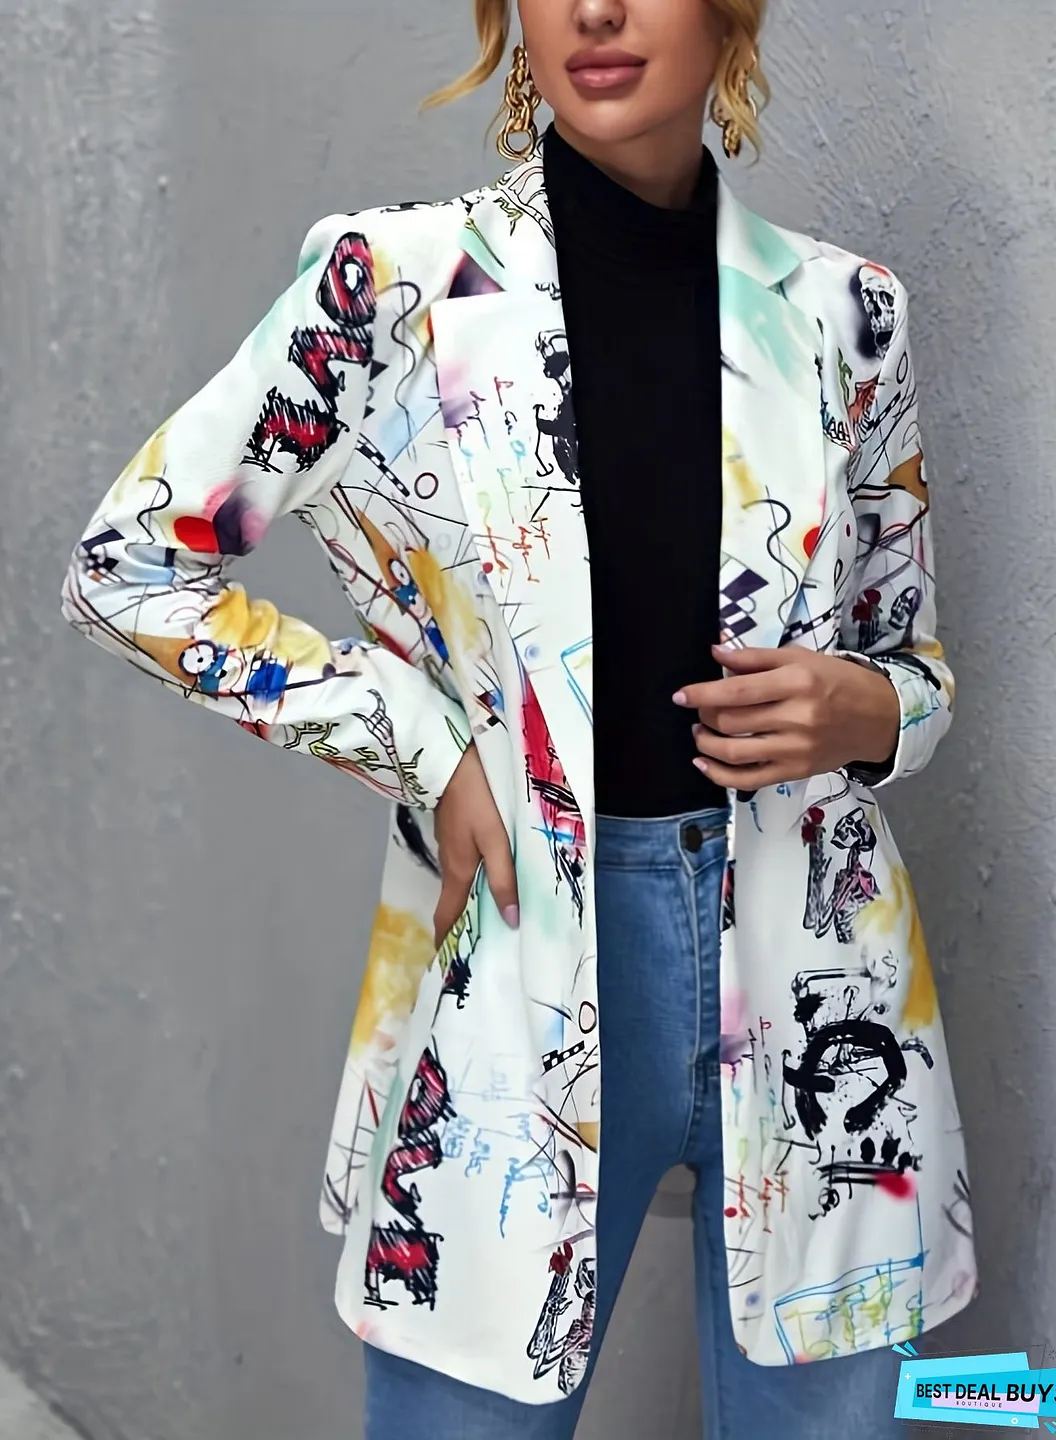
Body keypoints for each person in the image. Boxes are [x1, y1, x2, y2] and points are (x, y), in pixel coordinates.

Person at [60, 0, 978, 1434]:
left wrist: (871, 709)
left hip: (820, 974)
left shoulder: (847, 315)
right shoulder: (392, 287)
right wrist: (422, 750)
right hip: (519, 944)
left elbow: (909, 665)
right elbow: (129, 566)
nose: (595, 9)